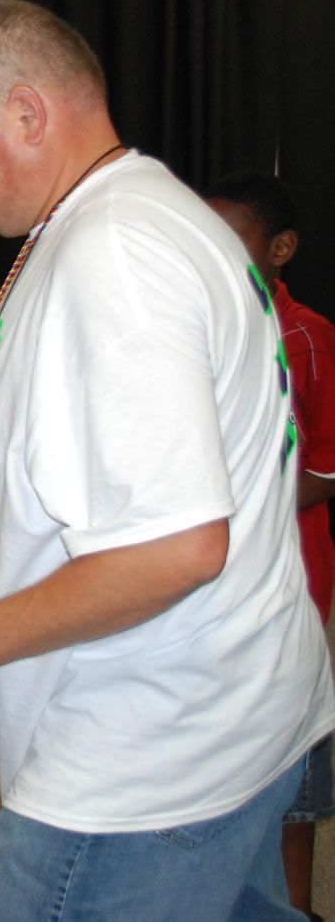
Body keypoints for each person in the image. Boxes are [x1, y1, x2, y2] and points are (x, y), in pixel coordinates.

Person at [0, 0, 335, 919]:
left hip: (143, 763)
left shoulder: (115, 258)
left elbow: (176, 546)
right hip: (236, 710)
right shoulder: (109, 217)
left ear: (26, 113)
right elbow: (42, 472)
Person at [204, 169, 335, 921]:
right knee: (220, 765)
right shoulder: (194, 329)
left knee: (290, 778)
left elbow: (322, 465)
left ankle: (294, 907)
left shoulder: (307, 338)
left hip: (285, 592)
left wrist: (228, 513)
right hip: (205, 588)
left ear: (279, 248)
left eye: (231, 237)